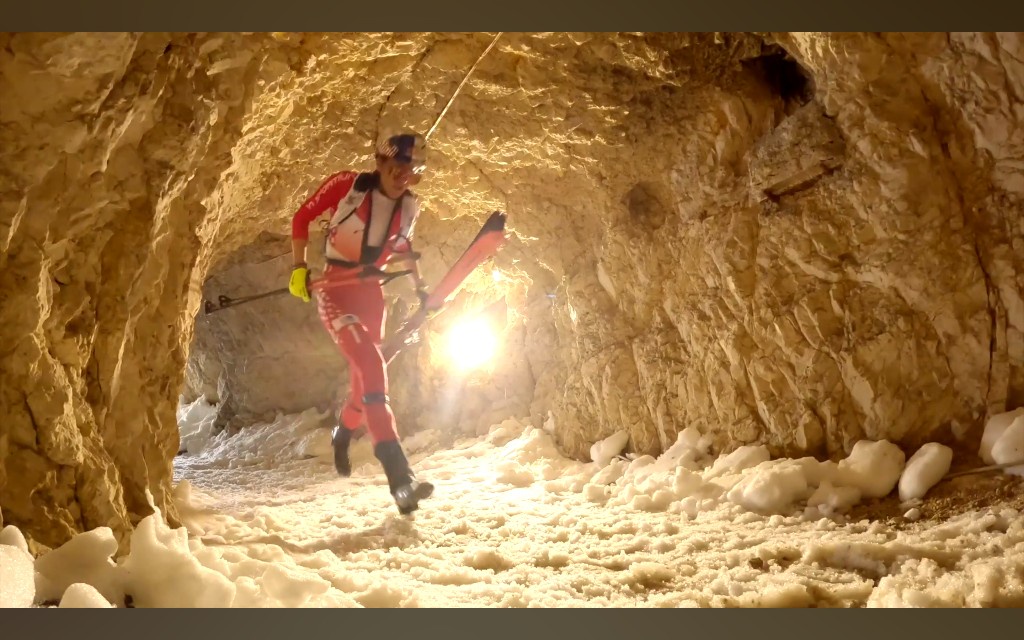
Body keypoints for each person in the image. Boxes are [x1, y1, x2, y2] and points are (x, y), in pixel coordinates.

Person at [287, 132, 434, 515]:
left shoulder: (410, 207)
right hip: (336, 292)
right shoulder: (348, 186)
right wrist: (299, 268)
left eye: (412, 171)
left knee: (362, 385)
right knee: (371, 364)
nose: (404, 177)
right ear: (381, 163)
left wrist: (420, 287)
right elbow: (302, 217)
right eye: (398, 167)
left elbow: (402, 248)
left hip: (371, 297)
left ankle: (342, 434)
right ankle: (400, 479)